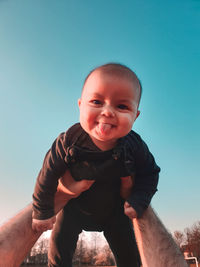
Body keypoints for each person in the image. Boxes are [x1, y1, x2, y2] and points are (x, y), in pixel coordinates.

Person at [32, 63, 160, 267]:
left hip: (116, 211)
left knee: (130, 255)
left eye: (121, 106)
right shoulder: (68, 142)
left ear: (135, 116)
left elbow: (150, 174)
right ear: (81, 105)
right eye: (97, 101)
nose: (108, 111)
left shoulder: (134, 146)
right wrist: (42, 212)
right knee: (59, 248)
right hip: (74, 208)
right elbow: (46, 175)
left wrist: (139, 199)